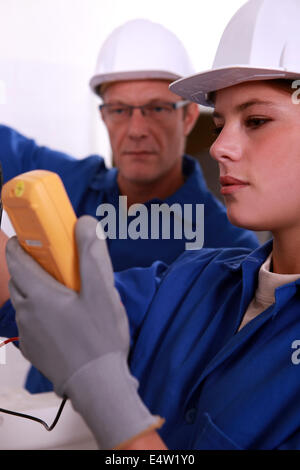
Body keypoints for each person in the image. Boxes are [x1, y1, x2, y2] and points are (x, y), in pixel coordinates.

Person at [5, 0, 300, 450]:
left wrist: (108, 400)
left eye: (256, 120)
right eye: (220, 123)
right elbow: (45, 298)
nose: (219, 146)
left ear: (183, 117)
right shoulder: (196, 280)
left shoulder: (213, 237)